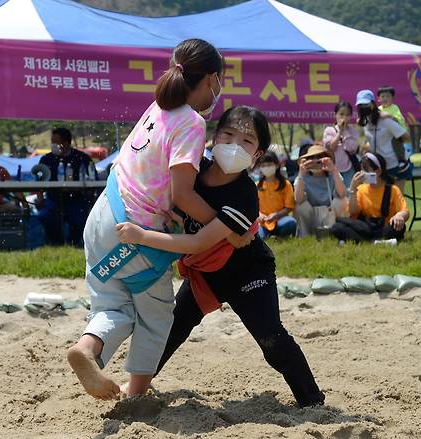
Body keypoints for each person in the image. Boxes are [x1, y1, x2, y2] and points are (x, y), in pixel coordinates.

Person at [67, 39, 252, 401]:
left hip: (104, 214)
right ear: (213, 79)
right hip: (138, 234)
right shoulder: (191, 123)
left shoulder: (157, 107)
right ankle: (136, 395)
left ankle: (87, 351)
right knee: (156, 316)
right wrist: (225, 228)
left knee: (112, 306)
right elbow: (182, 195)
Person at [116, 106, 325, 407]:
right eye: (228, 134)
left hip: (248, 272)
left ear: (258, 154)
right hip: (206, 275)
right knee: (171, 329)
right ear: (213, 137)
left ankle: (312, 402)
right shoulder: (191, 171)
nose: (234, 145)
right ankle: (136, 388)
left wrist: (141, 236)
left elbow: (200, 242)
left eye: (247, 141)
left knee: (271, 337)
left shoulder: (244, 195)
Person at [330, 152, 410, 244]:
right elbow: (353, 211)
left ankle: (362, 241)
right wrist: (353, 189)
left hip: (384, 228)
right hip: (364, 228)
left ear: (378, 171)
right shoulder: (360, 189)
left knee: (399, 227)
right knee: (337, 227)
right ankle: (376, 242)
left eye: (366, 171)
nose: (363, 174)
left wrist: (399, 216)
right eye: (362, 171)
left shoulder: (393, 190)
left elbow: (405, 211)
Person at [37, 127, 93, 246]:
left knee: (80, 218)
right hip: (53, 199)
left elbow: (92, 180)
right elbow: (39, 181)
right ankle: (57, 245)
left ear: (67, 143)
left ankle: (73, 245)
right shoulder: (46, 159)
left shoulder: (82, 158)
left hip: (76, 199)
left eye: (56, 142)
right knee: (45, 216)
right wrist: (40, 198)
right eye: (52, 142)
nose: (53, 145)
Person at [356, 89, 412, 191]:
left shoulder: (385, 120)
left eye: (366, 104)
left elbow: (406, 137)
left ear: (373, 104)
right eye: (361, 105)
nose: (363, 108)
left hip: (395, 166)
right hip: (377, 167)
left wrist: (395, 142)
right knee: (380, 200)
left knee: (396, 201)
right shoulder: (365, 123)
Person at [293, 144, 348, 237]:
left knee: (341, 201)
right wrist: (301, 174)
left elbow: (342, 194)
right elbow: (298, 199)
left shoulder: (333, 174)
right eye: (311, 158)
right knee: (299, 207)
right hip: (312, 213)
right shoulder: (302, 177)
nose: (315, 161)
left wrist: (334, 170)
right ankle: (305, 235)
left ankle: (339, 232)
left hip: (330, 212)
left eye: (319, 158)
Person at [256, 152, 296, 239]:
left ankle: (279, 236)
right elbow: (253, 206)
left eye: (269, 165)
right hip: (262, 222)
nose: (266, 167)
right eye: (263, 165)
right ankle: (269, 235)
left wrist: (277, 215)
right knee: (258, 235)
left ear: (277, 165)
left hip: (280, 219)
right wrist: (260, 215)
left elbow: (289, 207)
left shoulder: (286, 184)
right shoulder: (257, 185)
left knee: (291, 223)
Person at [322, 101, 360, 187]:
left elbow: (352, 149)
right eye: (341, 114)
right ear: (335, 114)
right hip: (333, 168)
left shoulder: (353, 132)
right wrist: (340, 132)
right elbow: (331, 147)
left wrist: (346, 133)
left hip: (349, 169)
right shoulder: (329, 130)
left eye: (347, 115)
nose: (344, 118)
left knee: (349, 192)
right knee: (335, 194)